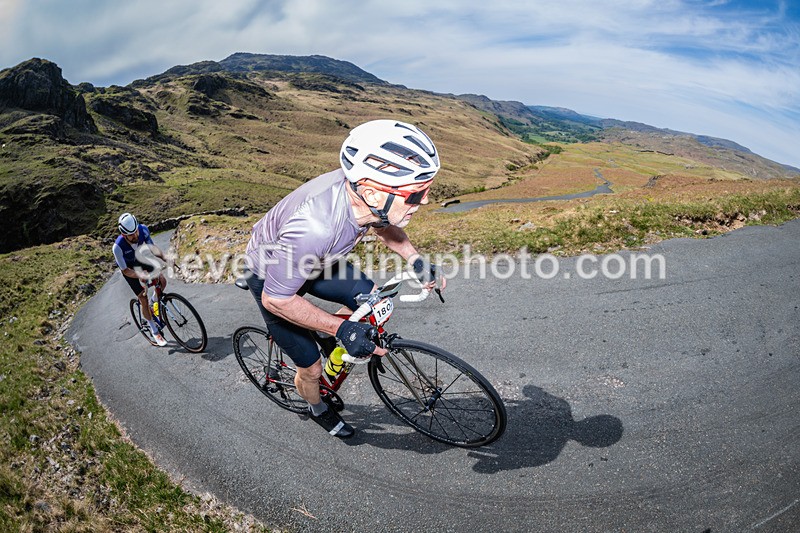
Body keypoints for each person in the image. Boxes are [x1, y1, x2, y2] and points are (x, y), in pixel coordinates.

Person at [244, 119, 446, 439]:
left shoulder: (366, 198)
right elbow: (277, 299)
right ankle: (317, 409)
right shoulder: (317, 227)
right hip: (273, 276)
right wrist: (343, 328)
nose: (424, 201)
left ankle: (328, 337)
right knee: (310, 367)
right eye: (415, 194)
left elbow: (383, 225)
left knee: (373, 299)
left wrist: (416, 259)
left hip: (318, 261)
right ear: (371, 193)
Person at [113, 212, 168, 347]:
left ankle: (154, 301)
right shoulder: (117, 247)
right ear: (124, 235)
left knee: (162, 281)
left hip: (141, 258)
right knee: (143, 298)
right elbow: (125, 270)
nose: (136, 236)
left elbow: (153, 249)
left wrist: (166, 258)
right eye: (131, 235)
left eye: (136, 232)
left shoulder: (143, 229)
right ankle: (155, 331)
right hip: (130, 269)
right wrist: (140, 275)